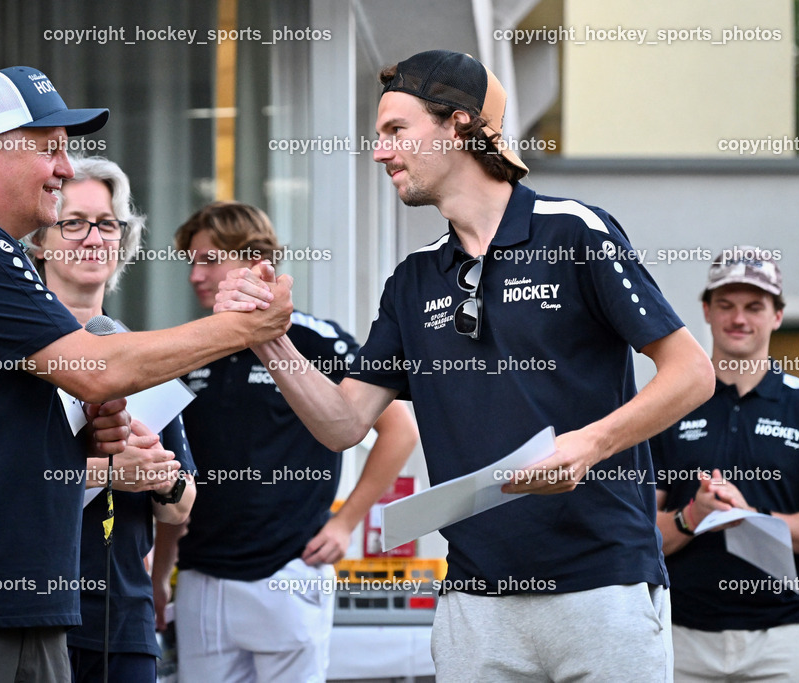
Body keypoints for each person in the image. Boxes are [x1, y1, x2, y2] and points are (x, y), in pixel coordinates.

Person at [217, 50, 716, 681]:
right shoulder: (412, 279)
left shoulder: (575, 232)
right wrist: (268, 339)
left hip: (602, 586)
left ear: (458, 125)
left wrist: (589, 444)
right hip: (474, 602)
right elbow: (343, 424)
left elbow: (691, 372)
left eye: (396, 131)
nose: (380, 152)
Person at [0, 66, 290, 682]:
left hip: (17, 614)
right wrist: (243, 329)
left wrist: (86, 438)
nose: (64, 167)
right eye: (49, 148)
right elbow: (100, 369)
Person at [155, 201, 418, 682]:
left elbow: (400, 429)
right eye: (190, 263)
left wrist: (345, 525)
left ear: (254, 258)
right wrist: (161, 570)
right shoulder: (187, 347)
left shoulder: (316, 340)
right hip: (200, 575)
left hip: (288, 569)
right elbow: (175, 467)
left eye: (209, 260)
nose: (195, 275)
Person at [24, 154, 197, 682]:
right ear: (38, 242)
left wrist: (161, 480)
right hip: (29, 617)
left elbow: (183, 506)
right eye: (72, 222)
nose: (93, 237)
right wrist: (107, 474)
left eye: (106, 224)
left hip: (123, 620)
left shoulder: (139, 354)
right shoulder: (15, 349)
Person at [651, 247, 799, 681]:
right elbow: (635, 534)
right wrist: (693, 515)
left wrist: (749, 517)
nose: (739, 318)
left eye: (754, 306)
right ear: (706, 310)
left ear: (777, 315)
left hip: (785, 635)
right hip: (681, 632)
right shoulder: (670, 404)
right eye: (726, 305)